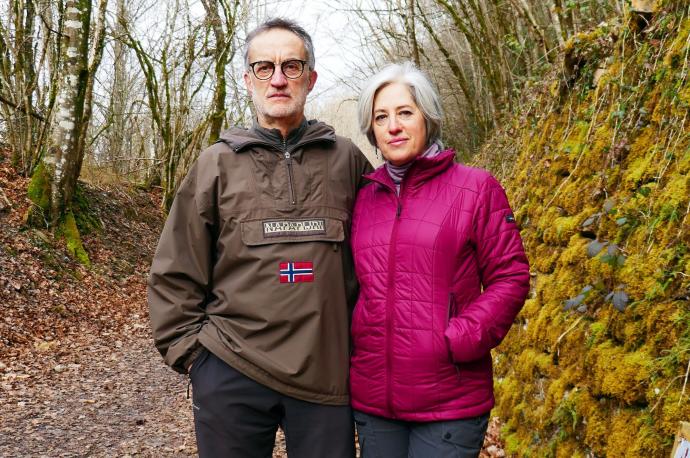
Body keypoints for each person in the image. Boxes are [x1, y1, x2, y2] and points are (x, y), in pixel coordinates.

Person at [147, 18, 371, 458]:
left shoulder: (346, 159)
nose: (279, 79)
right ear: (248, 79)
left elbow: (387, 249)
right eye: (265, 67)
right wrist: (195, 359)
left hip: (326, 377)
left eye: (291, 65)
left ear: (311, 77)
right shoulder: (215, 164)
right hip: (231, 370)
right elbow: (176, 267)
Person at [349, 62, 530, 457]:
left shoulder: (476, 188)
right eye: (381, 117)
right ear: (372, 132)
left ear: (427, 118)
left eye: (405, 112)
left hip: (449, 400)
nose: (393, 125)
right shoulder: (364, 199)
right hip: (376, 402)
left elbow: (510, 276)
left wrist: (458, 338)